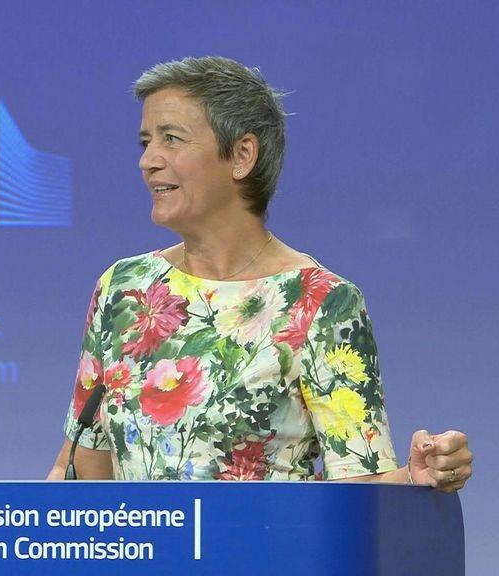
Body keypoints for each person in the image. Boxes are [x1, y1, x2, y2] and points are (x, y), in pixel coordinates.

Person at [47, 56, 473, 492]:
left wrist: (418, 477)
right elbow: (80, 470)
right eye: (146, 142)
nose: (148, 161)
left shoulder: (320, 301)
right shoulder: (124, 288)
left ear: (241, 155)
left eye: (171, 139)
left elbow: (359, 490)